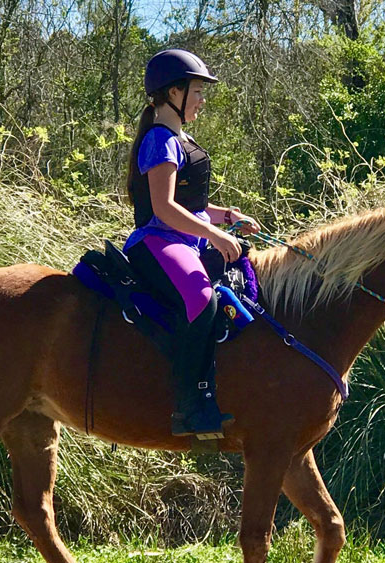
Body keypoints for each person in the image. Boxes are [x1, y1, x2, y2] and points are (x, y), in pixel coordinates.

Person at [123, 48, 260, 438]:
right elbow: (164, 208)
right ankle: (188, 405)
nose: (202, 99)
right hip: (158, 240)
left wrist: (227, 217)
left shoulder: (183, 138)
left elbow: (192, 206)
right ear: (173, 93)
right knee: (202, 299)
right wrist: (215, 235)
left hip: (186, 237)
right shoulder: (160, 140)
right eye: (197, 91)